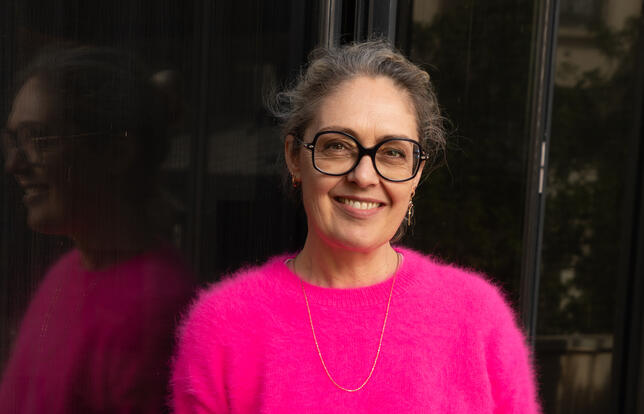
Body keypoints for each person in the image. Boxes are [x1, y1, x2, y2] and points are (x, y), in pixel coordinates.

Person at [171, 40, 540, 413]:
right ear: (295, 157)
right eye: (337, 146)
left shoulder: (478, 321)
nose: (363, 176)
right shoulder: (223, 327)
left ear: (417, 174)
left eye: (392, 153)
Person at [0, 47, 195, 413]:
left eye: (39, 139)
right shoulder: (67, 273)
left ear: (116, 153)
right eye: (14, 141)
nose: (15, 164)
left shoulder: (153, 312)